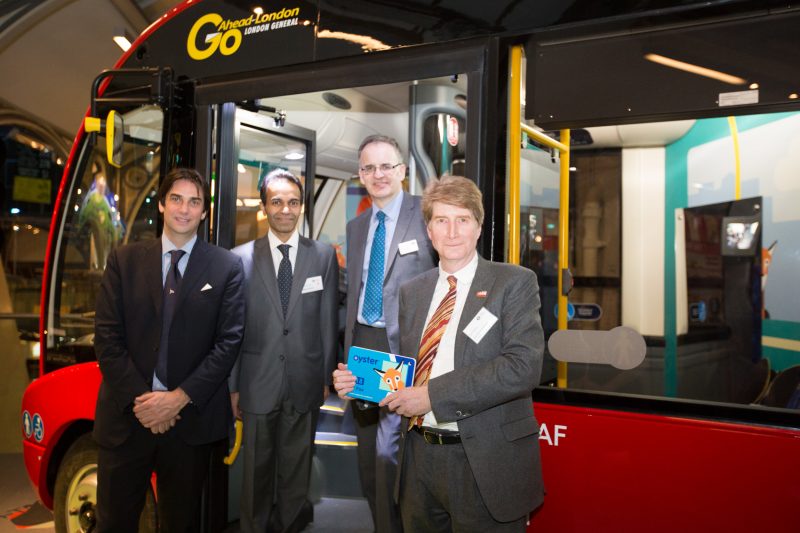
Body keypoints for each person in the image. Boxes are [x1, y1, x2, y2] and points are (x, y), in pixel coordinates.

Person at [336, 175, 545, 531]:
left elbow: (522, 367)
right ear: (428, 231)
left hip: (485, 460)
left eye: (463, 220)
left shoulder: (513, 283)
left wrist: (431, 396)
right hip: (418, 461)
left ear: (478, 228)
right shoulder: (412, 292)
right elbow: (406, 373)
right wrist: (363, 386)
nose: (452, 232)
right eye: (441, 221)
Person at [93, 167, 245, 533]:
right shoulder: (124, 261)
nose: (184, 209)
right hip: (128, 418)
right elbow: (107, 339)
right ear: (161, 204)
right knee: (113, 523)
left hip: (190, 423)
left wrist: (177, 399)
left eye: (194, 202)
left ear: (204, 212)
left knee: (181, 524)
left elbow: (228, 343)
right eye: (176, 199)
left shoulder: (227, 267)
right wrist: (146, 403)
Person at [334, 134, 437, 533]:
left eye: (386, 166)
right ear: (360, 174)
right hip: (364, 347)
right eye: (369, 167)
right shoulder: (357, 225)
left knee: (397, 456)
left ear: (403, 171)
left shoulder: (426, 214)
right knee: (368, 457)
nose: (378, 174)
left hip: (406, 352)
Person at [230, 169, 339, 533]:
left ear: (301, 207)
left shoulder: (322, 256)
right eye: (276, 202)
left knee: (296, 476)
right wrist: (234, 386)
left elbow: (326, 321)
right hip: (257, 383)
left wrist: (324, 377)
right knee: (255, 479)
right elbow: (234, 330)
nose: (285, 210)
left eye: (293, 202)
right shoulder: (240, 259)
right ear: (264, 207)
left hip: (305, 381)